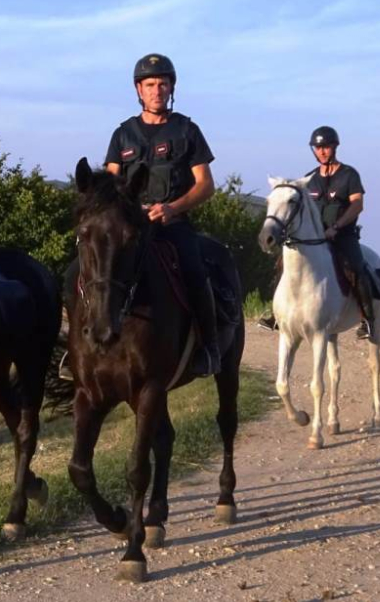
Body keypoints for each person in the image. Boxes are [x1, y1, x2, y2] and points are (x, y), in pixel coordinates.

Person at [103, 53, 221, 376]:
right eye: (150, 84)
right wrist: (126, 209)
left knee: (195, 271)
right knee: (90, 269)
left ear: (171, 88)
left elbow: (205, 185)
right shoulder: (122, 135)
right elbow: (109, 184)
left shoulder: (187, 130)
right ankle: (88, 347)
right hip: (131, 229)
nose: (157, 90)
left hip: (172, 225)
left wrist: (172, 208)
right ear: (138, 89)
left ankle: (208, 349)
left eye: (163, 84)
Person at [258, 126, 375, 339]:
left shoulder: (349, 175)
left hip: (342, 235)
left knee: (356, 267)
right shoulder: (309, 179)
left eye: (326, 147)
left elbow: (357, 205)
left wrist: (336, 227)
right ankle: (276, 314)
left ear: (334, 147)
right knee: (282, 265)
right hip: (315, 238)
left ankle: (367, 319)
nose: (322, 151)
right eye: (318, 147)